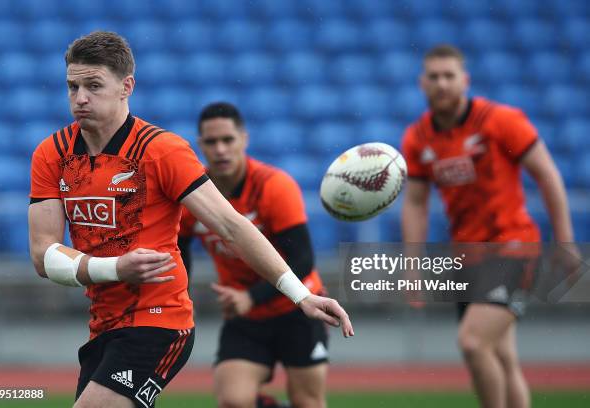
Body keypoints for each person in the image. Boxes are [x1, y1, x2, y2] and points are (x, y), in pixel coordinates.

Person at [28, 31, 353, 408]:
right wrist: (117, 268)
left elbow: (232, 225)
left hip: (159, 320)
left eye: (93, 85)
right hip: (104, 322)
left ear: (126, 87)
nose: (80, 98)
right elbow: (43, 255)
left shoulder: (162, 150)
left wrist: (301, 295)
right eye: (72, 86)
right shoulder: (51, 154)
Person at [400, 45, 574, 408]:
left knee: (473, 342)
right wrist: (412, 265)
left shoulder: (501, 120)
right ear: (422, 84)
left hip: (513, 246)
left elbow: (548, 176)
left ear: (465, 80)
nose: (442, 83)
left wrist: (566, 241)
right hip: (468, 255)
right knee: (503, 357)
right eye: (434, 76)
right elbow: (416, 204)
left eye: (449, 76)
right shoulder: (417, 138)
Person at [178, 102, 329, 408]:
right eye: (211, 142)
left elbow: (302, 260)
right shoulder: (195, 194)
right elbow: (179, 252)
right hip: (246, 317)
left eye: (228, 140)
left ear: (244, 139)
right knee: (233, 401)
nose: (220, 149)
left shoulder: (274, 186)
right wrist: (180, 302)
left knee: (308, 402)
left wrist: (251, 296)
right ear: (200, 145)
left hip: (299, 309)